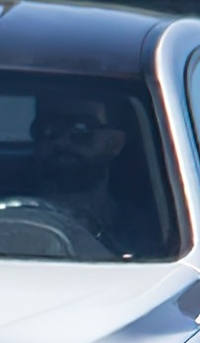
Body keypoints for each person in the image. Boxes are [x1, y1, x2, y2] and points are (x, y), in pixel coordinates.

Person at [28, 91, 132, 249]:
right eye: (47, 128)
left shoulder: (154, 233)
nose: (62, 142)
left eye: (81, 129)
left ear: (114, 143)